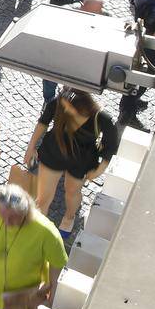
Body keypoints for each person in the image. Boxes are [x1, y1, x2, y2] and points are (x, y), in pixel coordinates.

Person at [23, 87, 122, 241]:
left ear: (83, 106)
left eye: (70, 107)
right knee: (42, 198)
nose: (65, 109)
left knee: (72, 191)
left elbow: (111, 146)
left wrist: (99, 170)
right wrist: (31, 146)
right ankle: (37, 226)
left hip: (81, 159)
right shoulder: (59, 103)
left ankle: (69, 217)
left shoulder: (101, 118)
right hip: (54, 151)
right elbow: (43, 122)